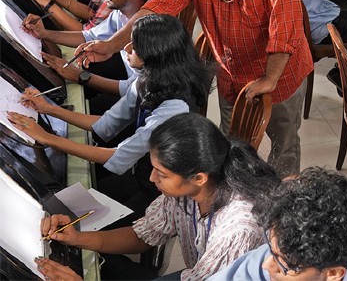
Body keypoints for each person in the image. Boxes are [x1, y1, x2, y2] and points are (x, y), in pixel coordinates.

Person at [80, 0, 313, 176]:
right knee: (235, 147)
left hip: (280, 73)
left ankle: (286, 209)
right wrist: (110, 45)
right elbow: (158, 5)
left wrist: (270, 77)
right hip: (232, 73)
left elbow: (286, 21)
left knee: (284, 147)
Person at [34, 114, 280, 281]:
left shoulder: (237, 230)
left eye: (161, 173)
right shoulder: (187, 191)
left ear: (199, 177)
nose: (151, 178)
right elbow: (142, 236)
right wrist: (77, 238)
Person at [9, 14, 213, 214]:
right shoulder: (151, 77)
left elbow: (120, 154)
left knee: (80, 218)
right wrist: (50, 109)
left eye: (135, 46)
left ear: (154, 54)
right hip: (139, 170)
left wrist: (47, 138)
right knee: (70, 201)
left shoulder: (175, 107)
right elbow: (107, 123)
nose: (126, 49)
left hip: (160, 190)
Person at [23, 0, 154, 107]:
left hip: (145, 97)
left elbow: (135, 89)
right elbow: (88, 35)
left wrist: (81, 77)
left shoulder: (149, 34)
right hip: (129, 74)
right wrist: (45, 34)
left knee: (91, 106)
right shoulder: (122, 10)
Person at [207, 167, 347, 281]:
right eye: (272, 251)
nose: (267, 265)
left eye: (286, 266)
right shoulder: (285, 247)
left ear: (333, 274)